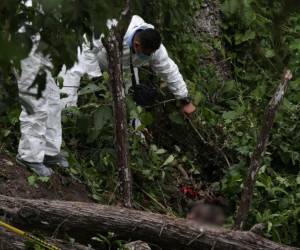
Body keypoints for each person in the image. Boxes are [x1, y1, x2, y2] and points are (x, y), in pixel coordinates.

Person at [62, 15, 196, 115]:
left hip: (123, 70)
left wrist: (184, 99)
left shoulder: (154, 49)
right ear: (137, 45)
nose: (148, 57)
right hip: (93, 58)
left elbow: (169, 70)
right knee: (72, 72)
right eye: (146, 54)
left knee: (130, 104)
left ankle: (134, 135)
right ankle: (66, 115)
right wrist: (96, 77)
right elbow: (87, 48)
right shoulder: (113, 27)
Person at [16, 0, 69, 177]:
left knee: (53, 99)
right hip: (26, 41)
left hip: (43, 43)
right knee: (35, 100)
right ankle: (29, 155)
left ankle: (49, 151)